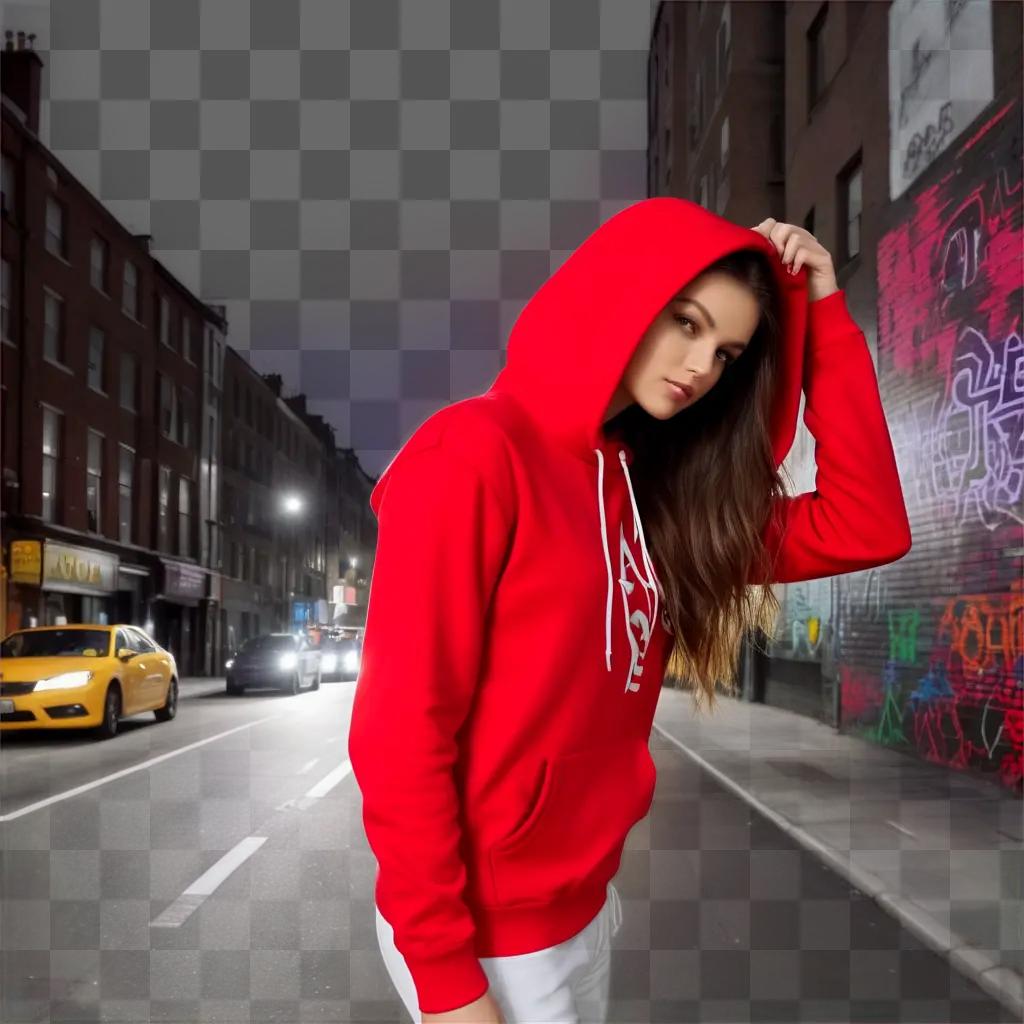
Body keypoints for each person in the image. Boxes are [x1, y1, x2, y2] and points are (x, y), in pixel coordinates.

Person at [347, 197, 912, 1023]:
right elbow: (401, 729)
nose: (700, 366)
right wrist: (444, 976)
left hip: (581, 903)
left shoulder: (657, 496)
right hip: (491, 932)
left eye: (727, 352)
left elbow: (867, 523)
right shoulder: (473, 453)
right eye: (685, 323)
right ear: (622, 295)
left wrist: (823, 313)